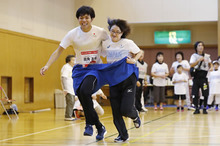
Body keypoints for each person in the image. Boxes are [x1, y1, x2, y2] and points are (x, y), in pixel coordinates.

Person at [40, 6, 109, 140]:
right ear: (78, 19)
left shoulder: (100, 32)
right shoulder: (72, 33)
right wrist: (47, 65)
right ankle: (100, 127)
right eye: (81, 17)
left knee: (85, 92)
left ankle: (89, 124)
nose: (84, 20)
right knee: (83, 98)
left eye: (86, 17)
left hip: (95, 69)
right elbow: (58, 51)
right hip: (79, 69)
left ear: (92, 19)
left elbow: (112, 47)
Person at [102, 18, 142, 143]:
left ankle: (135, 115)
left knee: (125, 109)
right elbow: (99, 55)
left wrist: (134, 60)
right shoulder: (105, 44)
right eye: (112, 31)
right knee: (116, 113)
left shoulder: (128, 42)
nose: (114, 34)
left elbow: (139, 52)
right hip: (113, 80)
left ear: (122, 33)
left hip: (127, 79)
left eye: (117, 32)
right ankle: (123, 135)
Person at [189, 41, 213, 114]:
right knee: (195, 93)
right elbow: (191, 65)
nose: (201, 47)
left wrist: (211, 67)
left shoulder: (207, 56)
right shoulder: (193, 56)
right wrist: (198, 60)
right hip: (196, 77)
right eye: (199, 45)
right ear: (196, 47)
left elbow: (210, 63)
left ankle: (205, 108)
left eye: (202, 45)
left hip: (204, 77)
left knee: (205, 93)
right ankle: (196, 108)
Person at [61, 55, 76, 121]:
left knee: (72, 102)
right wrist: (65, 89)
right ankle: (68, 116)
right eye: (73, 60)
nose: (74, 61)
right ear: (69, 61)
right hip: (68, 88)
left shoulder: (71, 68)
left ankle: (69, 115)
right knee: (70, 101)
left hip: (71, 88)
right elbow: (63, 78)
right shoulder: (66, 67)